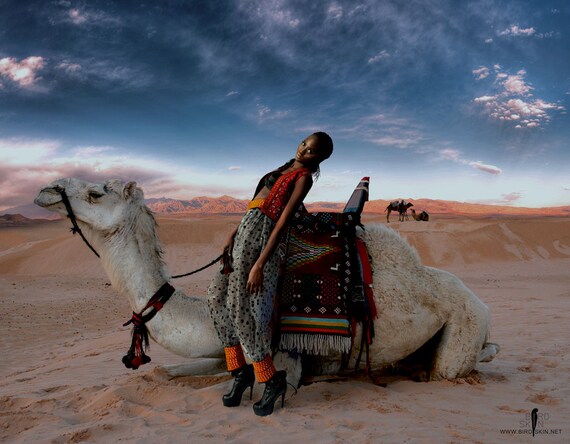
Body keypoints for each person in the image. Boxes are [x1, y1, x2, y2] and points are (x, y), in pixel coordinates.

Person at [207, 132, 334, 416]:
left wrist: (260, 264)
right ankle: (240, 371)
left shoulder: (303, 178)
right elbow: (251, 206)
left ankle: (270, 379)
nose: (304, 151)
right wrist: (231, 234)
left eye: (312, 151)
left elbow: (282, 222)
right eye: (305, 144)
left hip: (263, 238)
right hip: (244, 233)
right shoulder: (279, 169)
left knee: (242, 308)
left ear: (320, 159)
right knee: (216, 296)